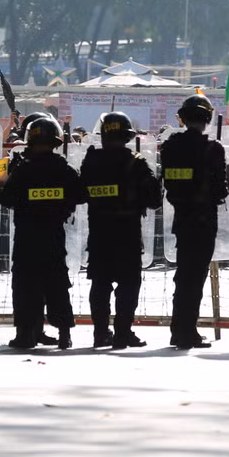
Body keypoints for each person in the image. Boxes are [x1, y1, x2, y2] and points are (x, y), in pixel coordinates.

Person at [0, 117, 84, 350]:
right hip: (54, 235)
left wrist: (0, 185)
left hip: (26, 237)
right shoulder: (64, 168)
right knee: (56, 283)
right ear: (55, 141)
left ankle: (27, 335)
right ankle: (64, 334)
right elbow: (80, 195)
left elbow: (7, 199)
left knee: (26, 286)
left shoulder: (22, 170)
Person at [79, 111, 162, 349]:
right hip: (127, 233)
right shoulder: (136, 163)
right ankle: (123, 334)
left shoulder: (91, 161)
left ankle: (100, 333)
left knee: (100, 284)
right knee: (128, 284)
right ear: (127, 136)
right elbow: (154, 200)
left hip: (99, 232)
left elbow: (80, 193)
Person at [160, 95, 228, 350]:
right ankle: (187, 331)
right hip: (204, 220)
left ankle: (179, 329)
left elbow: (170, 182)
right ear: (208, 118)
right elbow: (221, 189)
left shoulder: (170, 146)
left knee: (184, 276)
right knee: (194, 278)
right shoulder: (213, 148)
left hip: (183, 218)